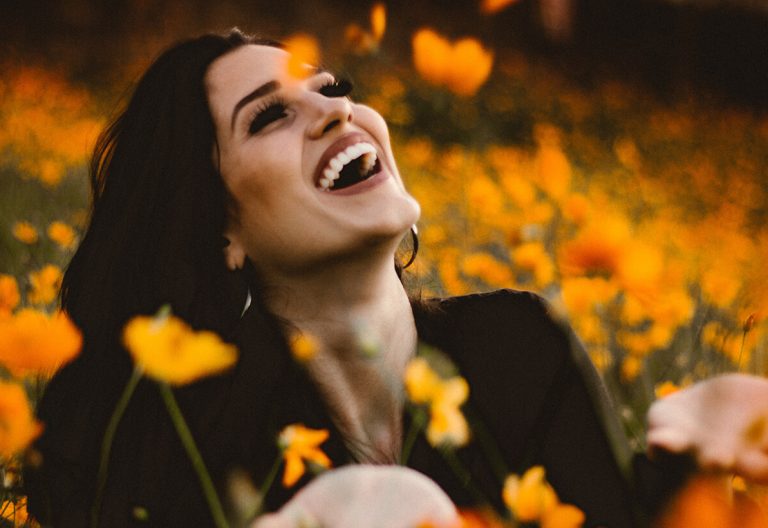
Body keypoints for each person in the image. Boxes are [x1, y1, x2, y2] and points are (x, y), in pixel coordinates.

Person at [24, 29, 768, 527]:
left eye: (331, 87)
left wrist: (685, 475)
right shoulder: (203, 448)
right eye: (269, 117)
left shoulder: (520, 347)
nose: (335, 109)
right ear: (220, 232)